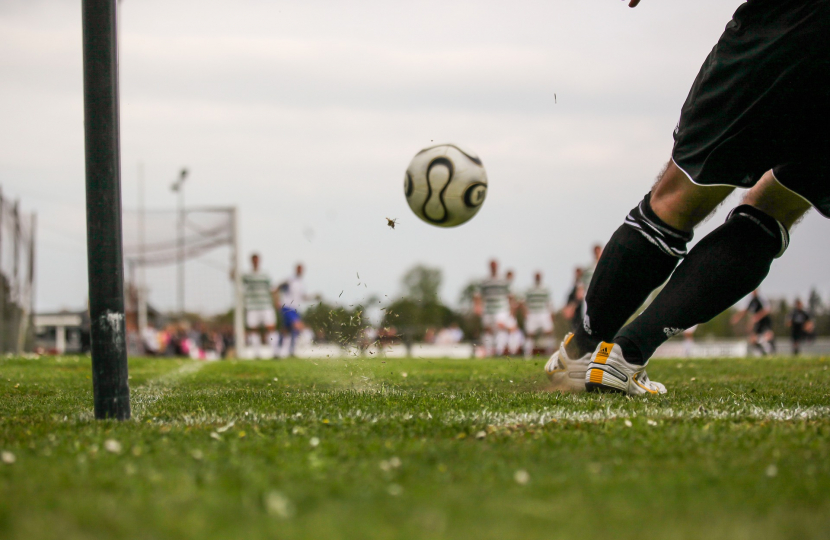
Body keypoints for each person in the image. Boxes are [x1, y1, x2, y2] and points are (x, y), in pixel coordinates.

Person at [547, 0, 828, 395]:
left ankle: (584, 351)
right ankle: (625, 356)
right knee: (776, 207)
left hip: (788, 23)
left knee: (675, 200)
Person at [242, 253, 279, 358]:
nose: (255, 262)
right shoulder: (246, 275)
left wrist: (276, 300)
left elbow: (272, 289)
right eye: (254, 260)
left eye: (257, 260)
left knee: (271, 327)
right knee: (254, 329)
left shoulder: (265, 274)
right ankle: (256, 354)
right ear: (251, 261)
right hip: (252, 306)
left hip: (266, 305)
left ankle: (275, 352)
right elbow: (234, 279)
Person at [472, 260, 511, 357]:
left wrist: (511, 309)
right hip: (488, 309)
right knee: (488, 330)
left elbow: (510, 295)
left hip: (501, 308)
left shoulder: (503, 280)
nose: (493, 268)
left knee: (500, 327)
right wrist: (477, 306)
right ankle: (489, 352)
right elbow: (478, 294)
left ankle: (499, 351)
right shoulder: (485, 281)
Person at [276, 263, 310, 357]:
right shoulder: (290, 280)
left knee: (286, 329)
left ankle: (281, 350)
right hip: (287, 306)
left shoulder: (301, 283)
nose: (300, 271)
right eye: (298, 269)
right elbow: (277, 288)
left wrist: (313, 297)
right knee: (297, 325)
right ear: (296, 269)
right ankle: (292, 349)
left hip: (295, 308)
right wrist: (277, 301)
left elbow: (303, 297)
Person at [731, 290, 776, 356]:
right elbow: (745, 310)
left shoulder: (761, 299)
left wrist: (757, 317)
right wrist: (737, 317)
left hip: (765, 321)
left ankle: (772, 351)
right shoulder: (751, 301)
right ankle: (763, 353)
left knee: (769, 336)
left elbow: (767, 309)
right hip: (757, 323)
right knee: (752, 339)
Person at [523, 272, 555, 358]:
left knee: (549, 332)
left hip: (543, 312)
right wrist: (525, 313)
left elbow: (549, 302)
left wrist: (551, 313)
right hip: (532, 313)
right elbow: (525, 302)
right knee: (530, 334)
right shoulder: (529, 289)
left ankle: (550, 353)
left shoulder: (545, 289)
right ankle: (527, 354)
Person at [562, 267, 586, 333]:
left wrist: (572, 306)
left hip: (581, 308)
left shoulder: (583, 283)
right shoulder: (575, 284)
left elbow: (579, 296)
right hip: (576, 311)